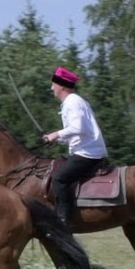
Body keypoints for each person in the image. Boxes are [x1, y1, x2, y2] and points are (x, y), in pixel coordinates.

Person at [41, 66, 108, 229]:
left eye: (53, 85)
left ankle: (64, 222)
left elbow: (78, 128)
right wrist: (56, 139)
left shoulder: (72, 102)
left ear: (62, 86)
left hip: (89, 154)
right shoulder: (72, 102)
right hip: (86, 151)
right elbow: (76, 133)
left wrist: (55, 134)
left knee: (59, 179)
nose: (51, 88)